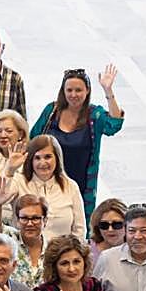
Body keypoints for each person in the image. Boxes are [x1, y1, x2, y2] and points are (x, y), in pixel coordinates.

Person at [31, 66, 125, 218]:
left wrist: (108, 90)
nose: (73, 95)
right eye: (69, 90)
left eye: (78, 90)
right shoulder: (51, 111)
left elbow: (114, 124)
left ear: (87, 91)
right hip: (46, 183)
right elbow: (33, 140)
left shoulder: (94, 115)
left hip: (81, 187)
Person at [4, 136, 85, 240]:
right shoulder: (19, 180)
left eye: (47, 157)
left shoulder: (71, 186)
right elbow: (1, 198)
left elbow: (79, 229)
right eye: (37, 158)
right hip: (24, 251)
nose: (42, 163)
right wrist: (9, 170)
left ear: (57, 158)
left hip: (62, 253)